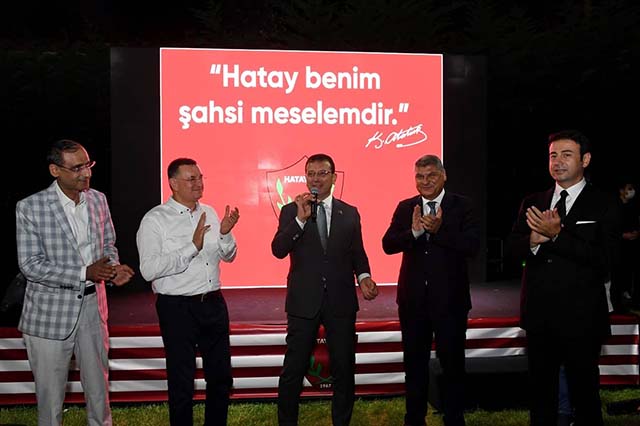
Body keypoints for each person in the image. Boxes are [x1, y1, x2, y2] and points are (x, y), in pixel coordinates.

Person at [15, 139, 135, 425]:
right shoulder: (31, 207)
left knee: (98, 390)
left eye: (88, 165)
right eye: (77, 168)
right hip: (48, 315)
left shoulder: (98, 200)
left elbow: (107, 244)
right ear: (55, 170)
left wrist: (112, 269)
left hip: (94, 308)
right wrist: (84, 273)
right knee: (50, 397)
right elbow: (30, 265)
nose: (86, 173)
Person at [506, 129, 620, 426]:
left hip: (583, 318)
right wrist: (533, 240)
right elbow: (512, 250)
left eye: (566, 155)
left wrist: (557, 236)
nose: (557, 162)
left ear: (586, 159)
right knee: (541, 396)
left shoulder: (604, 203)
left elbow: (606, 260)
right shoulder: (533, 201)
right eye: (553, 155)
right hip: (539, 316)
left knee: (585, 395)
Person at [271, 153, 378, 426]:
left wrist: (364, 277)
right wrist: (299, 221)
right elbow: (278, 249)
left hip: (341, 301)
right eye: (311, 173)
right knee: (293, 369)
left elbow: (358, 253)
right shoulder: (291, 211)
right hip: (303, 302)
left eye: (322, 173)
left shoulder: (349, 212)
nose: (316, 179)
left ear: (333, 177)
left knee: (344, 367)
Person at [136, 158, 239, 426]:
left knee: (221, 377)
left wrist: (225, 235)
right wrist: (192, 247)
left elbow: (228, 256)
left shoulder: (210, 212)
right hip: (177, 308)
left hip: (213, 303)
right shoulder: (155, 219)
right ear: (173, 183)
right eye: (191, 179)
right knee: (182, 379)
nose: (198, 183)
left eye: (200, 177)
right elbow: (148, 270)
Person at [382, 154, 480, 426]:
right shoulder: (406, 207)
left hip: (451, 302)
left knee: (453, 365)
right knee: (414, 365)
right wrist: (413, 234)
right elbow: (388, 244)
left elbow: (472, 246)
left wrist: (440, 230)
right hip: (413, 302)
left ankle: (454, 419)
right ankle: (414, 419)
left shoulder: (463, 206)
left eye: (431, 176)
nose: (425, 181)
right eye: (420, 177)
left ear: (443, 176)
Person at [611, 181, 639, 311]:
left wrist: (636, 233)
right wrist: (622, 235)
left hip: (630, 247)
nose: (632, 191)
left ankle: (629, 301)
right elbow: (610, 229)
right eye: (629, 188)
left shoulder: (632, 207)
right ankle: (616, 306)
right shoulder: (614, 207)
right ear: (621, 191)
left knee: (629, 275)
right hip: (617, 247)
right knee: (616, 277)